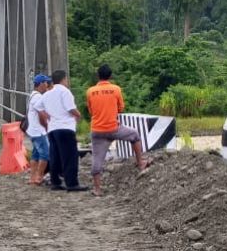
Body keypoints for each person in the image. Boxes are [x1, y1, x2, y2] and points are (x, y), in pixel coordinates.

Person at [86, 64, 152, 196]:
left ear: (98, 76)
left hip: (97, 130)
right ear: (110, 76)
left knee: (97, 159)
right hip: (113, 128)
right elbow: (120, 108)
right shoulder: (115, 89)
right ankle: (140, 162)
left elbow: (91, 110)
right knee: (134, 135)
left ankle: (97, 189)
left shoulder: (90, 91)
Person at [39, 69, 87, 192]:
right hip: (65, 127)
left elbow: (39, 107)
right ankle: (71, 183)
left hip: (52, 128)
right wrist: (78, 114)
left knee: (55, 156)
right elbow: (71, 108)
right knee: (70, 156)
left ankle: (55, 182)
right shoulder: (65, 92)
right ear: (64, 79)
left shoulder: (47, 94)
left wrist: (48, 116)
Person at [25, 74, 52, 185]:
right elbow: (41, 112)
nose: (47, 84)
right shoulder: (38, 97)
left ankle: (32, 177)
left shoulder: (33, 95)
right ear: (40, 83)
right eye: (45, 82)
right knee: (45, 154)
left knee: (36, 155)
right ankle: (39, 178)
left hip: (33, 130)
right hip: (38, 131)